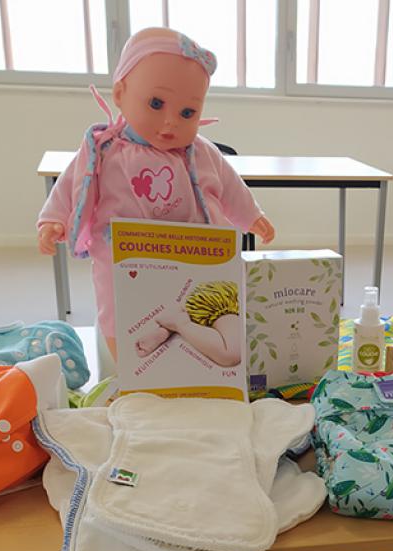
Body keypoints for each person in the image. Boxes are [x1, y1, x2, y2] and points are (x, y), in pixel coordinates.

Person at [37, 27, 274, 358]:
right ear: (120, 93)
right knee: (117, 309)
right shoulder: (102, 151)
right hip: (123, 258)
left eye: (187, 113)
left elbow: (231, 186)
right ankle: (129, 368)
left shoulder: (201, 152)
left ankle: (194, 362)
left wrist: (252, 216)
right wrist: (54, 220)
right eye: (156, 103)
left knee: (204, 308)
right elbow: (72, 184)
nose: (170, 122)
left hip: (195, 258)